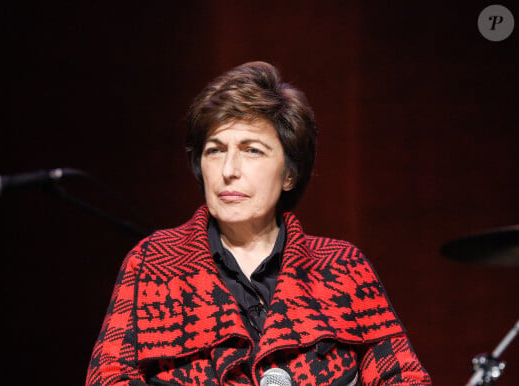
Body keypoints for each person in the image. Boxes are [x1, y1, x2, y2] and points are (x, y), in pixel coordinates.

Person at [86, 61, 432, 385]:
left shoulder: (343, 267)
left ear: (289, 174)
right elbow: (108, 378)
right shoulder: (152, 263)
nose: (228, 170)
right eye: (215, 150)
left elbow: (404, 378)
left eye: (252, 150)